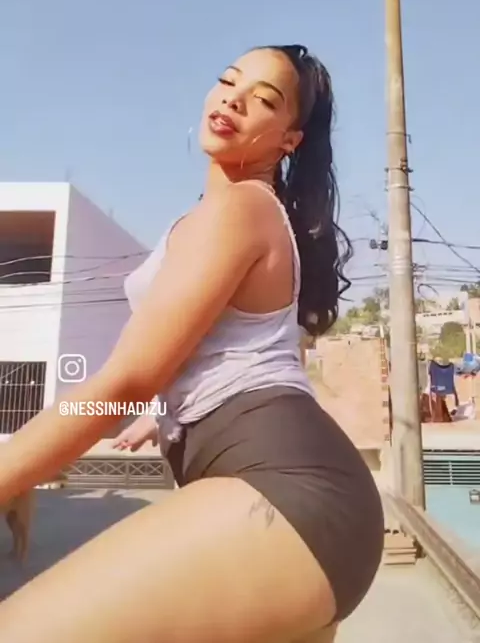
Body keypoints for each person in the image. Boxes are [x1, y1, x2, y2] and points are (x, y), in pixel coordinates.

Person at [0, 44, 384, 642]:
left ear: (289, 140)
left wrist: (11, 468)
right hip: (300, 508)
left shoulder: (241, 209)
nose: (234, 99)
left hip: (285, 497)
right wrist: (165, 416)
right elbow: (220, 366)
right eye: (229, 81)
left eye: (264, 99)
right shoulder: (233, 213)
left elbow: (125, 382)